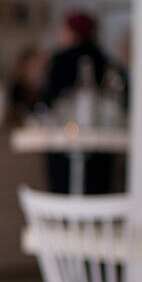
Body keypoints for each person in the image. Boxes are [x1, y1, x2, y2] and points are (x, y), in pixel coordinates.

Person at [43, 11, 114, 194]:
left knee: (63, 195)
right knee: (96, 197)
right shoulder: (104, 60)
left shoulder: (61, 59)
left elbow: (49, 99)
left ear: (73, 32)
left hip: (64, 142)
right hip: (101, 146)